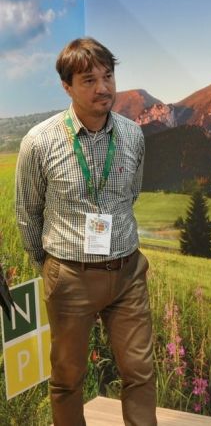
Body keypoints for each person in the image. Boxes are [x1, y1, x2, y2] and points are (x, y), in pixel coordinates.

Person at [15, 37, 155, 425]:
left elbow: (131, 194)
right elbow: (27, 213)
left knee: (140, 372)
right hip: (69, 277)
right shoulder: (39, 142)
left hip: (127, 273)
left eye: (108, 76)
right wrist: (50, 267)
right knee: (67, 377)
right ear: (67, 86)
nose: (103, 88)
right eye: (89, 80)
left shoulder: (132, 134)